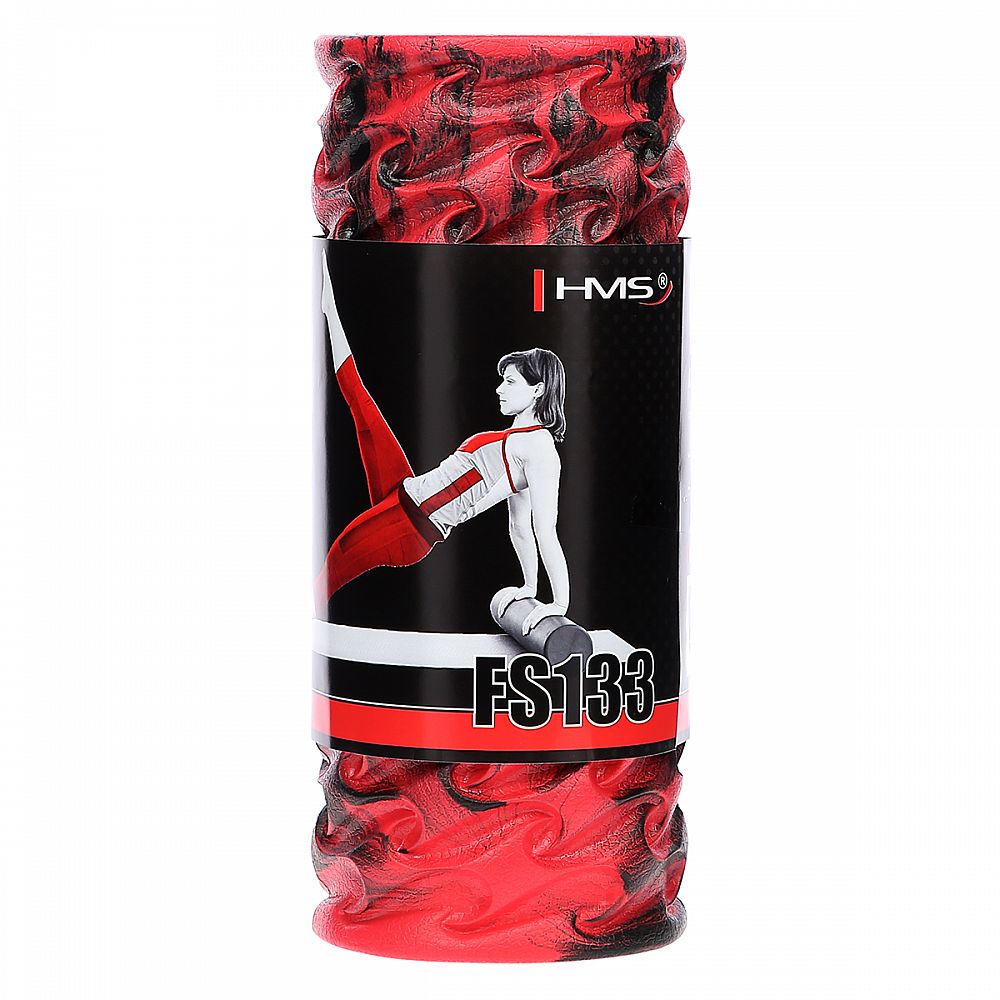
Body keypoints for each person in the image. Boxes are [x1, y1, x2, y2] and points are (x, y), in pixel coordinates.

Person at [315, 254, 570, 636]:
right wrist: (529, 587)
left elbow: (544, 529)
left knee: (338, 556)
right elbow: (518, 526)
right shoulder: (516, 438)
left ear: (538, 390)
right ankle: (328, 306)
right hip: (403, 488)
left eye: (510, 382)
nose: (499, 389)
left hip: (410, 525)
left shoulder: (539, 450)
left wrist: (558, 605)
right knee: (359, 400)